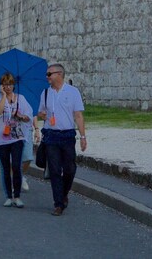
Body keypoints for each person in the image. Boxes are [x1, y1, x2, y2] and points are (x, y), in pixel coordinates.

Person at [37, 63, 87, 216]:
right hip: (51, 135)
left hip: (67, 135)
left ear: (59, 74)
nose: (47, 77)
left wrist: (83, 136)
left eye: (49, 74)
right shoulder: (45, 93)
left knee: (70, 168)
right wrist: (42, 115)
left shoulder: (72, 92)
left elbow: (78, 115)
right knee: (54, 170)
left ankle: (64, 193)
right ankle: (58, 203)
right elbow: (40, 112)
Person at [0, 72, 33, 208]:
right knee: (6, 168)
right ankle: (8, 196)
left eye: (10, 84)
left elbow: (28, 117)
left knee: (16, 166)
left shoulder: (20, 98)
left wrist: (20, 115)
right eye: (5, 84)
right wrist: (3, 96)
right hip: (2, 138)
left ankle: (17, 196)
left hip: (16, 137)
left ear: (14, 85)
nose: (8, 87)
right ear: (1, 86)